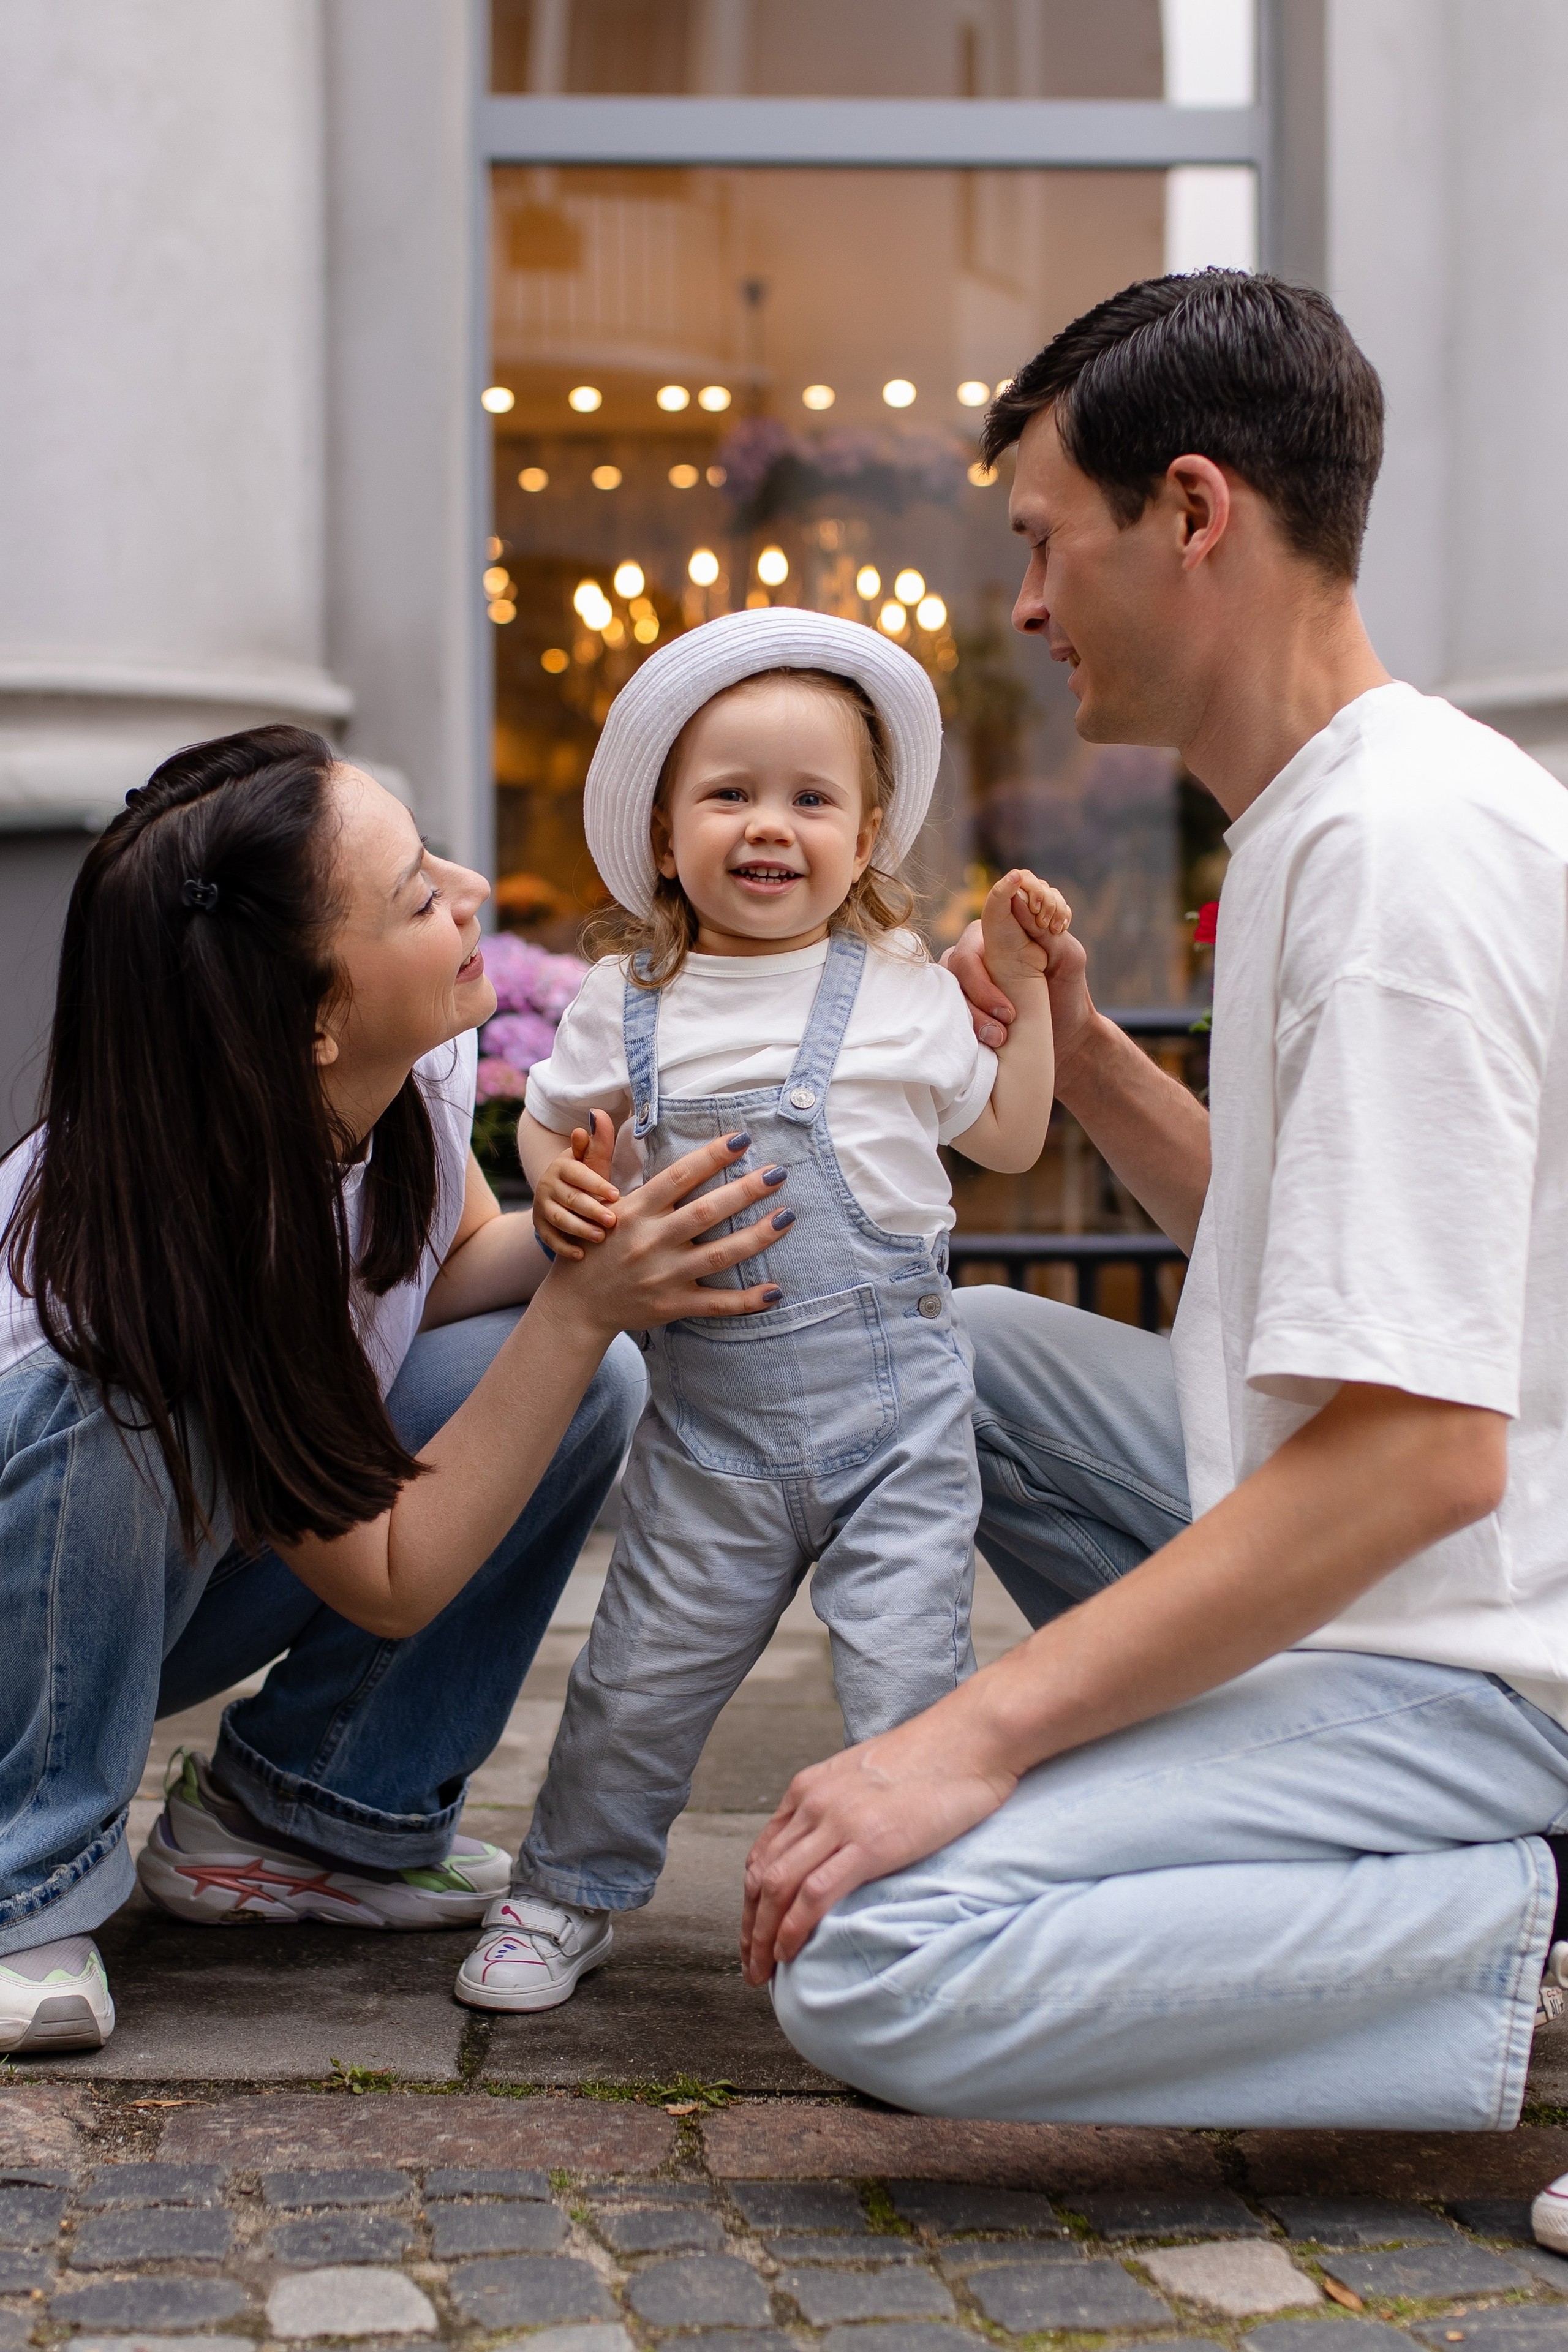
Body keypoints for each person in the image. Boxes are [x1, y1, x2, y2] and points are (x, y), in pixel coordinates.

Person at [741, 270, 1568, 2130]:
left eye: (1045, 544)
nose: (1026, 607)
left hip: (1488, 1653)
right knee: (963, 1351)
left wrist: (967, 1740)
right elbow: (1316, 1254)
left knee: (875, 1957)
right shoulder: (1330, 811)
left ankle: (1520, 1912)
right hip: (1425, 1561)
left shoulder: (1401, 865)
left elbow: (1426, 1457)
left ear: (1194, 512)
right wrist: (1089, 1054)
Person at [0, 723, 792, 2054]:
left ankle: (309, 1817)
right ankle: (26, 1880)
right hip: (35, 1600)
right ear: (315, 1016)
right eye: (419, 896)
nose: (472, 890)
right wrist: (586, 1298)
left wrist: (577, 1230)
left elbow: (448, 1271)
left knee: (571, 1379)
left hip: (171, 1578)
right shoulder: (175, 1228)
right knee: (117, 1398)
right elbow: (390, 1577)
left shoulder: (399, 1076)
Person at [453, 608, 1068, 2015]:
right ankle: (565, 1893)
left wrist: (1024, 993)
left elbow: (1017, 1140)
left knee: (912, 1679)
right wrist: (565, 1199)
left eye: (810, 799)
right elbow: (554, 1129)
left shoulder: (906, 996)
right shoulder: (628, 999)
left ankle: (921, 1913)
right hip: (708, 1437)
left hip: (898, 1434)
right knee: (634, 1683)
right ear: (666, 834)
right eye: (728, 795)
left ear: (864, 839)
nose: (768, 826)